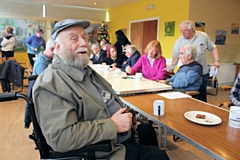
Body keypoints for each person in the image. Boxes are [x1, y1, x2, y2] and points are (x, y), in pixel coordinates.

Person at [32, 19, 169, 160]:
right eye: (74, 39)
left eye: (84, 38)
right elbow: (61, 138)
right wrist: (113, 125)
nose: (83, 43)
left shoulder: (83, 70)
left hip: (116, 135)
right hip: (104, 149)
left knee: (147, 131)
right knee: (159, 156)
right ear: (57, 48)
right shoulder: (50, 84)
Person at [171, 20, 220, 102]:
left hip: (202, 73)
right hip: (187, 72)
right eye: (181, 30)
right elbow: (176, 57)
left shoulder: (203, 36)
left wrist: (217, 60)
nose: (182, 33)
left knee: (201, 96)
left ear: (192, 30)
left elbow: (213, 48)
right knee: (186, 96)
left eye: (185, 31)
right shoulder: (179, 41)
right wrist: (172, 68)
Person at [24, 38, 54, 129]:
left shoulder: (46, 59)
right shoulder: (42, 64)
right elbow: (46, 87)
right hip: (42, 102)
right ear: (52, 49)